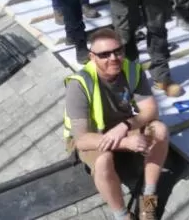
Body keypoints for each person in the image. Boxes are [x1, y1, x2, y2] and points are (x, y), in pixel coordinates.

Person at [63, 28, 171, 220]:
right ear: (92, 57)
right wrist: (124, 143)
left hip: (122, 127)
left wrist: (126, 127)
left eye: (118, 51)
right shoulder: (79, 84)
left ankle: (148, 199)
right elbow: (81, 140)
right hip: (95, 136)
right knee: (103, 161)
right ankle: (122, 215)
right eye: (104, 54)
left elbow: (151, 110)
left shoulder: (131, 69)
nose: (113, 58)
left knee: (160, 131)